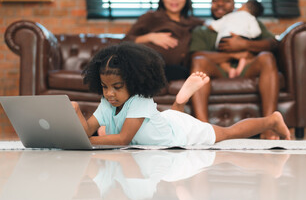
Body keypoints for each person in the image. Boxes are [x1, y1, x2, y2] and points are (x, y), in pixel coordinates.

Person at [71, 42, 290, 147]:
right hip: (161, 123)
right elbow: (86, 132)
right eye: (104, 86)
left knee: (227, 133)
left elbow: (123, 139)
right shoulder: (108, 102)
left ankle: (272, 120)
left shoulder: (139, 101)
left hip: (179, 133)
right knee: (167, 119)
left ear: (135, 82)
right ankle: (179, 102)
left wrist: (87, 141)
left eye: (117, 87)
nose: (109, 93)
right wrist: (76, 113)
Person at [189, 0, 281, 140]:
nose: (220, 4)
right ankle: (203, 131)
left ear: (234, 5)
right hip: (217, 71)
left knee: (267, 57)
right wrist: (234, 53)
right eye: (215, 0)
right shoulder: (202, 30)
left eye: (226, 1)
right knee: (199, 61)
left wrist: (245, 45)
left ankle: (269, 126)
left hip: (247, 67)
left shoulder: (248, 20)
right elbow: (196, 55)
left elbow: (273, 44)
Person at [123, 0, 204, 81]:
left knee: (180, 72)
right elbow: (125, 41)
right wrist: (150, 37)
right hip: (144, 63)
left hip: (174, 69)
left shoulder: (193, 22)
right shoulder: (151, 17)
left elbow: (211, 27)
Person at [208, 0, 264, 78]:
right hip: (241, 39)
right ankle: (241, 65)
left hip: (224, 40)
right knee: (245, 55)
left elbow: (213, 26)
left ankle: (229, 70)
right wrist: (247, 35)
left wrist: (205, 23)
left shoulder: (229, 16)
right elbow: (256, 32)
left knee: (222, 58)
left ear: (244, 6)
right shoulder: (251, 18)